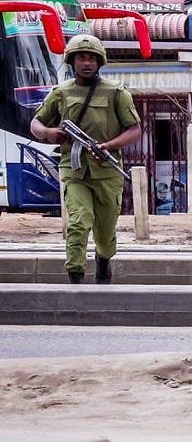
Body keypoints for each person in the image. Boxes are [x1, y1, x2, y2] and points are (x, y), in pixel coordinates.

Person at [30, 34, 142, 284]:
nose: (86, 63)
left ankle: (103, 260)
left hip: (107, 171)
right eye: (81, 57)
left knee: (104, 230)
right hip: (74, 168)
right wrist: (49, 133)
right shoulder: (61, 93)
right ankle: (76, 275)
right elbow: (36, 123)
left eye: (91, 58)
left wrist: (108, 146)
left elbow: (135, 130)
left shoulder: (116, 93)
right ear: (72, 61)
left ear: (99, 62)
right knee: (79, 221)